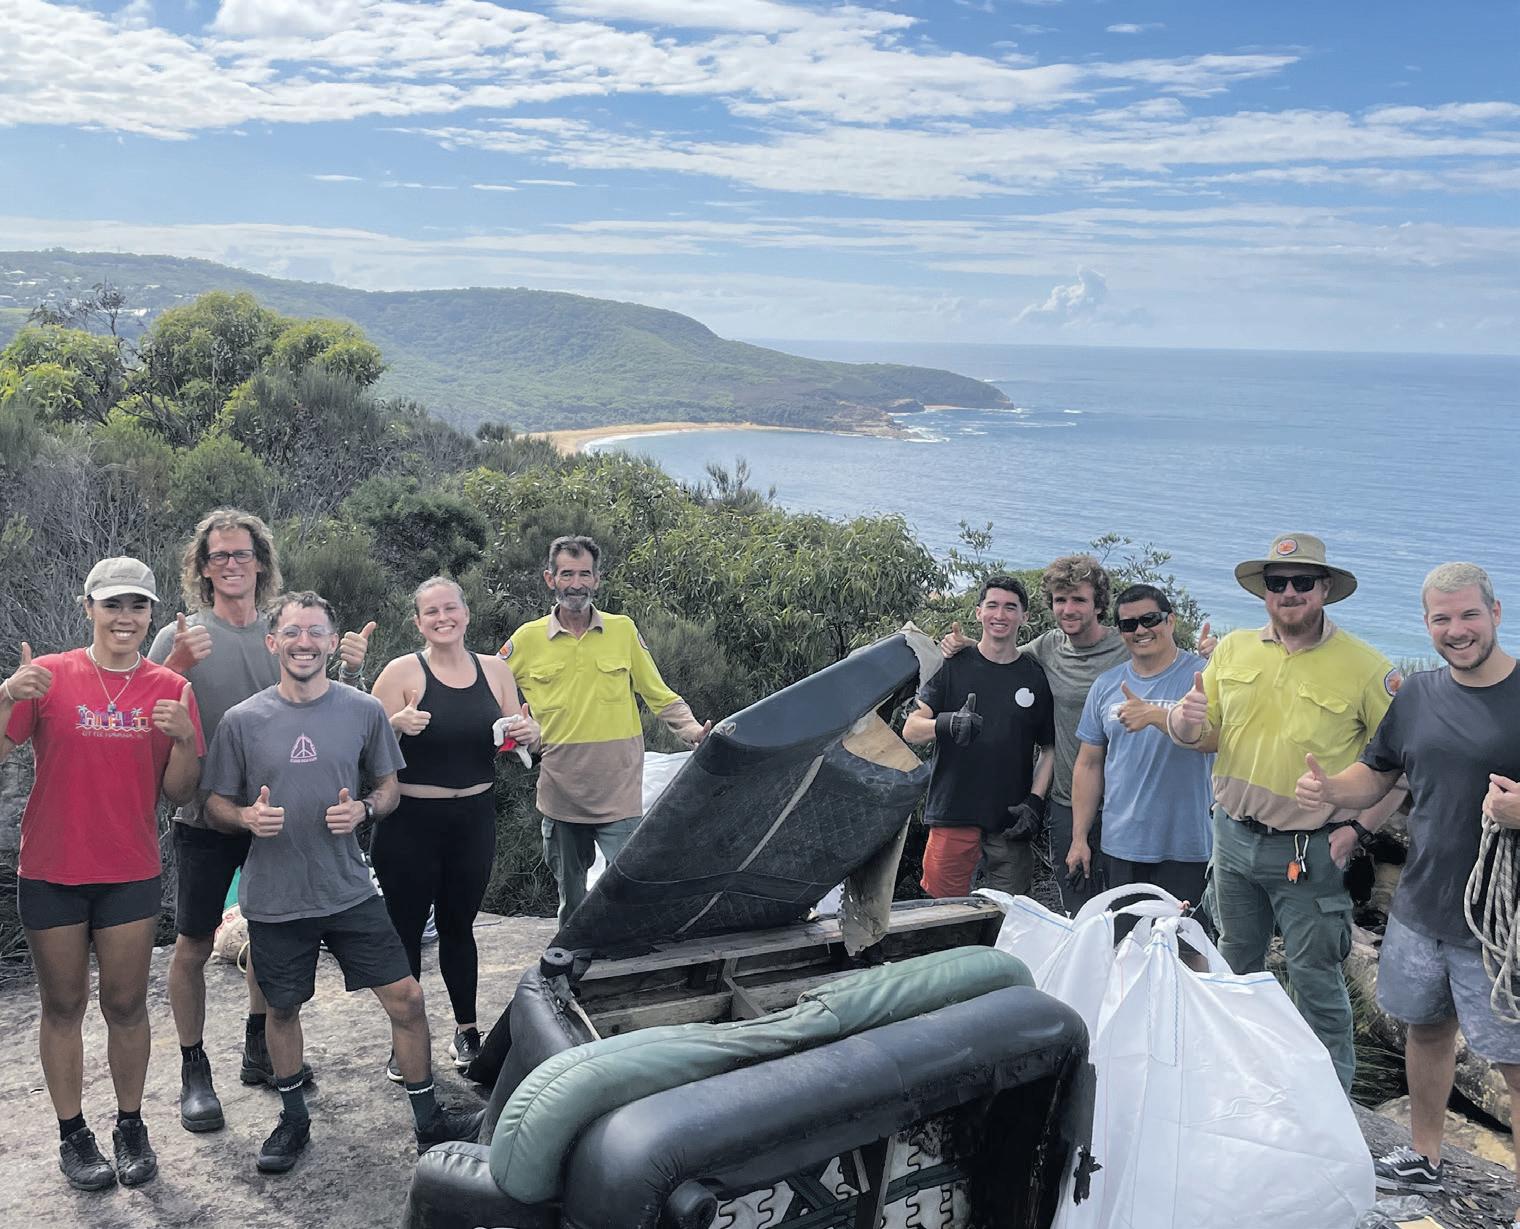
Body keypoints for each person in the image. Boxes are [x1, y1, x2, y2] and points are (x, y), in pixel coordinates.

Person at [201, 590, 482, 1174]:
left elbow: (389, 787)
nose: (304, 643)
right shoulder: (242, 721)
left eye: (316, 632)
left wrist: (366, 811)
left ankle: (429, 1121)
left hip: (349, 890)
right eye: (292, 632)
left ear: (332, 642)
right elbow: (214, 804)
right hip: (276, 898)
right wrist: (246, 817)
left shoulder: (363, 710)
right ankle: (293, 1119)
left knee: (407, 999)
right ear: (272, 642)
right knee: (282, 1010)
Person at [1295, 562, 1520, 1192]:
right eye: (1442, 619)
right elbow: (1379, 773)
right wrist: (1332, 789)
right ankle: (1426, 1156)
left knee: (1515, 1063)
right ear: (1426, 624)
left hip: (1500, 925)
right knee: (1427, 1030)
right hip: (1421, 906)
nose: (1457, 630)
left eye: (1469, 614)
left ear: (1495, 613)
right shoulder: (1418, 693)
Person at [148, 508, 374, 1133]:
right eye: (218, 555)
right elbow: (145, 711)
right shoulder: (179, 636)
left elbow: (319, 699)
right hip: (206, 812)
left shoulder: (280, 632)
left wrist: (351, 668)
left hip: (279, 818)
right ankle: (194, 1070)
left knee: (269, 933)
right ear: (202, 567)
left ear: (260, 563)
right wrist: (176, 666)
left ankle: (258, 1046)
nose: (231, 564)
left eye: (241, 553)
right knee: (193, 943)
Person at [1171, 532, 1403, 1091]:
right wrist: (1182, 720)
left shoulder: (1367, 668)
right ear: (1264, 591)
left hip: (1311, 851)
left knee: (1315, 981)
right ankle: (1234, 1083)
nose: (1290, 591)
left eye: (1303, 581)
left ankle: (1328, 1107)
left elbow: (1401, 768)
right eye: (1278, 582)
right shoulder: (1233, 650)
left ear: (1324, 589)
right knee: (1234, 965)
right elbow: (1200, 734)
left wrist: (1357, 828)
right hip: (1232, 838)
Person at [1, 557, 204, 1191]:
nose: (125, 617)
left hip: (128, 870)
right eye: (112, 603)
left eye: (137, 605)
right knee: (63, 1005)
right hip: (52, 868)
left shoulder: (173, 687)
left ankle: (131, 1126)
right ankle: (73, 1134)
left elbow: (180, 791)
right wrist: (5, 695)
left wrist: (185, 741)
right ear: (88, 607)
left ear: (150, 614)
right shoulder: (48, 675)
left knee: (125, 1004)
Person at [371, 576, 540, 1079]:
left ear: (466, 614)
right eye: (431, 612)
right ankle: (404, 1039)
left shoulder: (496, 671)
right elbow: (363, 748)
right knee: (404, 931)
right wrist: (393, 727)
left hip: (473, 819)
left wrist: (530, 733)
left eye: (451, 608)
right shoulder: (401, 671)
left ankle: (467, 1031)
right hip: (409, 822)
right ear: (417, 622)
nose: (443, 618)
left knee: (458, 927)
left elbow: (516, 737)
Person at [500, 535, 710, 922]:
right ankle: (571, 955)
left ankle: (624, 955)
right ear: (550, 579)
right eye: (566, 574)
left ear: (597, 579)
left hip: (619, 793)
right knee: (572, 898)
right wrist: (518, 729)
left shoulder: (622, 630)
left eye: (584, 574)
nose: (576, 584)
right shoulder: (527, 639)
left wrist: (694, 731)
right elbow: (488, 689)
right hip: (562, 794)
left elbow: (659, 695)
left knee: (630, 889)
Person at [943, 554, 1130, 912]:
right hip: (1067, 800)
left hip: (1124, 801)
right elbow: (1002, 656)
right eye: (1061, 600)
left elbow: (1171, 669)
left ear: (1098, 605)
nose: (1068, 609)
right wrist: (962, 646)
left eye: (1079, 599)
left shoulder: (1125, 648)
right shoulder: (1048, 647)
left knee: (1125, 906)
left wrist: (1211, 656)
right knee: (1078, 907)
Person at [904, 576, 1054, 897]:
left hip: (1011, 821)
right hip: (953, 811)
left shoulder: (1034, 676)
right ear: (978, 612)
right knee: (943, 912)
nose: (1000, 615)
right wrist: (947, 723)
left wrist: (1034, 802)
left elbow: (1049, 749)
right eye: (992, 605)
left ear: (1024, 617)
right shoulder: (952, 666)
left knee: (1009, 914)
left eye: (1010, 607)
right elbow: (911, 729)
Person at [1068, 584, 1213, 904]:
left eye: (1150, 619)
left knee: (1185, 936)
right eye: (1129, 624)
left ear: (1171, 620)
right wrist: (1079, 838)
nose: (1140, 630)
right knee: (1123, 934)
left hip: (1189, 847)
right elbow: (1088, 764)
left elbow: (1220, 741)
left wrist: (1155, 716)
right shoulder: (1106, 685)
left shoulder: (1204, 676)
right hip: (1121, 846)